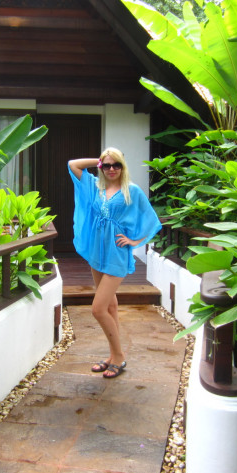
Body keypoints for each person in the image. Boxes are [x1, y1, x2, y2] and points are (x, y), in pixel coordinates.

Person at [68, 148, 162, 379]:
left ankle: (119, 356)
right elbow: (73, 164)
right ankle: (113, 355)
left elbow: (151, 219)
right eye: (107, 165)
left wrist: (135, 241)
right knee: (110, 306)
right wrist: (99, 160)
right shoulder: (95, 186)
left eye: (116, 165)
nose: (112, 169)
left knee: (98, 308)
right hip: (96, 252)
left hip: (116, 253)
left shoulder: (131, 190)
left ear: (123, 166)